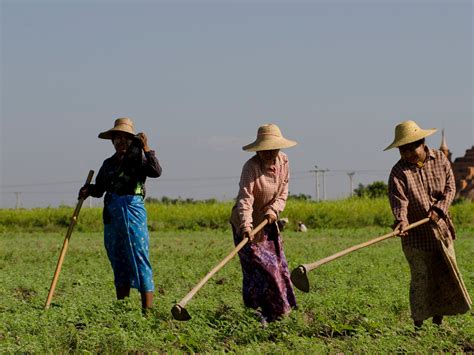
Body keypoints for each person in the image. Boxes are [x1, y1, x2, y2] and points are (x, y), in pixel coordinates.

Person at [384, 120, 471, 329]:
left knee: (443, 275)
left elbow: (451, 188)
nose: (406, 154)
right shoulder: (398, 172)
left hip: (441, 231)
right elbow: (399, 201)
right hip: (416, 237)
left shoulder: (440, 159)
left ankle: (438, 323)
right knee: (421, 281)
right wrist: (401, 221)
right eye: (402, 150)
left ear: (422, 143)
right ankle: (418, 326)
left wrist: (439, 209)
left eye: (409, 148)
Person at [78, 117, 162, 313]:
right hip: (112, 216)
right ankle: (122, 310)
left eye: (126, 138)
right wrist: (88, 190)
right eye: (118, 138)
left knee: (139, 256)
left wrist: (147, 148)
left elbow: (156, 171)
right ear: (112, 141)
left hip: (133, 211)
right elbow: (100, 189)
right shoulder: (107, 164)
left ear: (132, 140)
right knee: (118, 258)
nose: (121, 141)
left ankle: (147, 313)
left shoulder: (139, 160)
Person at [230, 123, 298, 325]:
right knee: (260, 270)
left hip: (269, 221)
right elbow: (245, 199)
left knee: (278, 266)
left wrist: (274, 210)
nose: (270, 153)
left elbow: (284, 190)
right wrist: (246, 226)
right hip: (247, 224)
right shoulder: (250, 168)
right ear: (259, 149)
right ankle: (263, 312)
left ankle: (281, 312)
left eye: (273, 148)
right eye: (266, 149)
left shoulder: (284, 161)